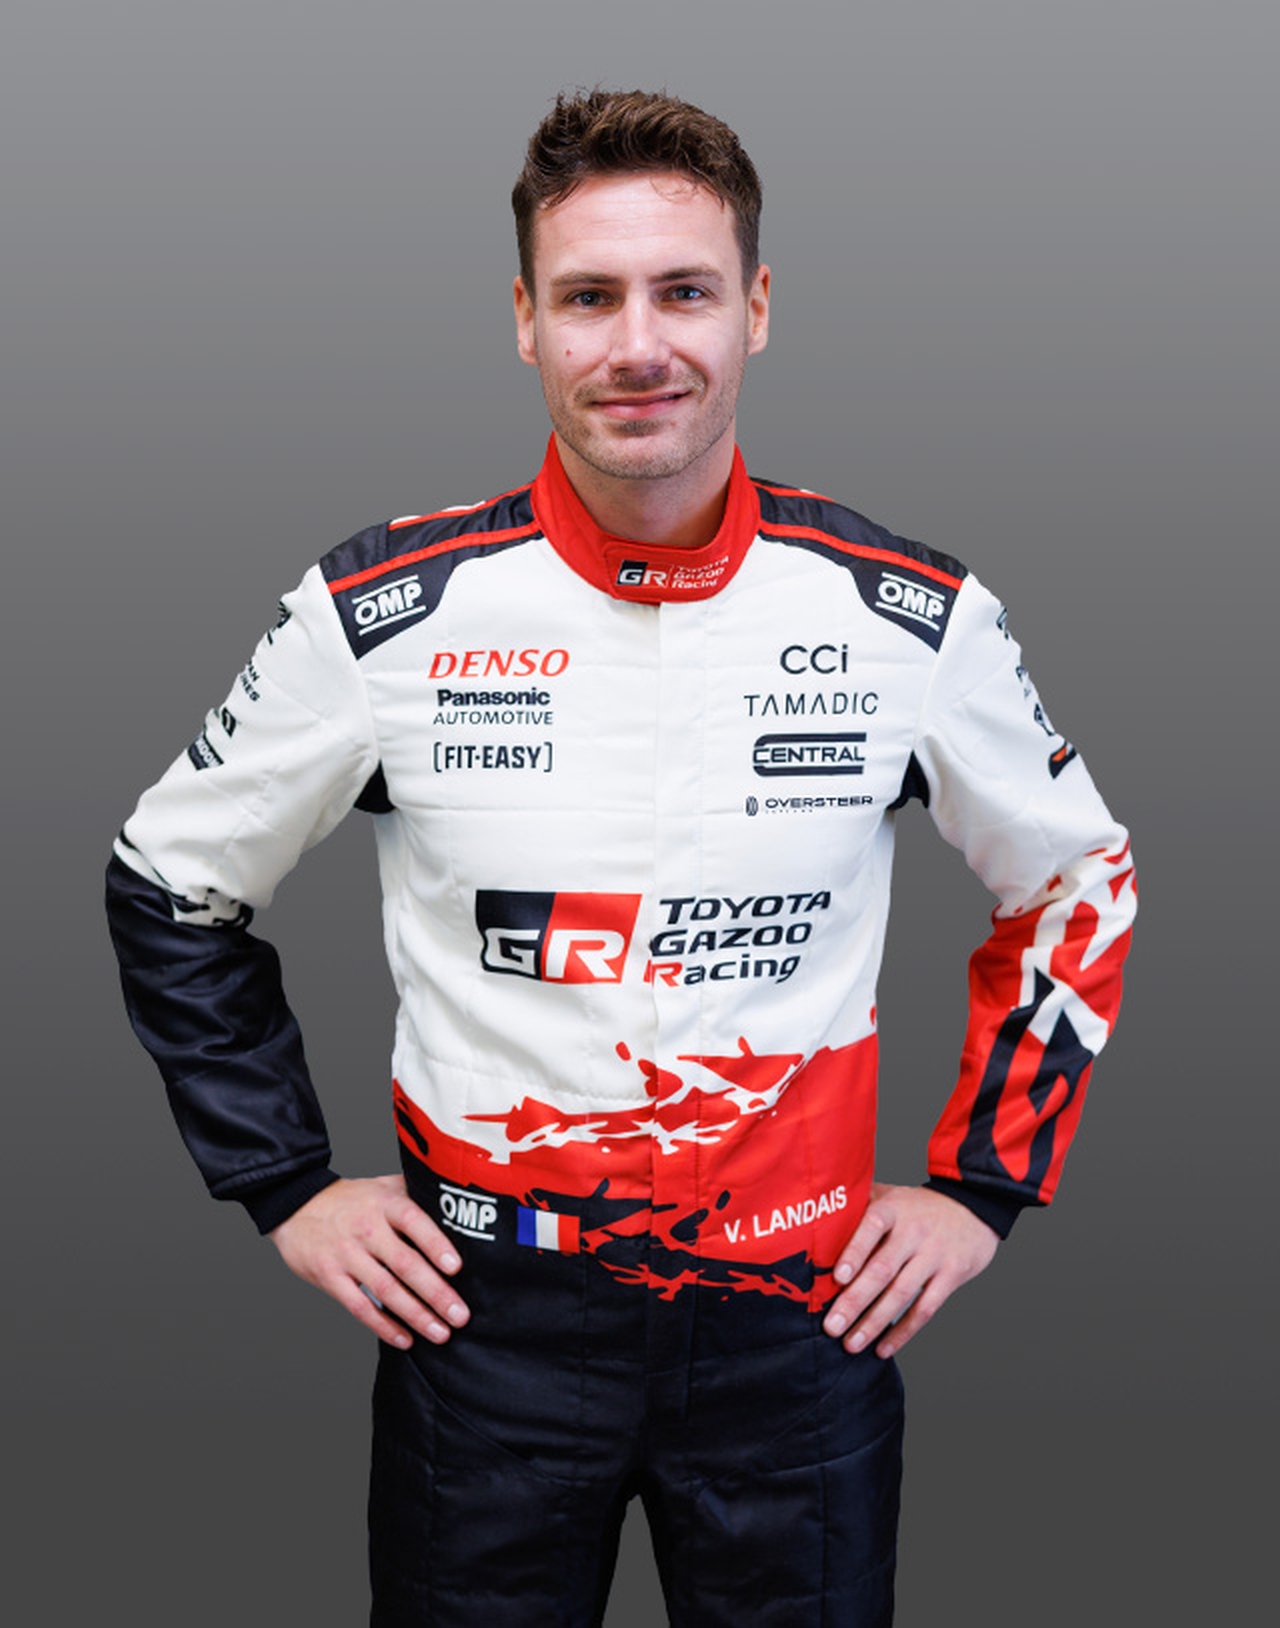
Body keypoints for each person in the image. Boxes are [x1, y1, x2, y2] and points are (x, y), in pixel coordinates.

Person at [106, 89, 1136, 1627]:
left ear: (758, 309)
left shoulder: (908, 616)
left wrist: (982, 1190)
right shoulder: (384, 614)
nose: (638, 344)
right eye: (589, 297)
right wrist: (286, 1183)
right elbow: (169, 882)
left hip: (804, 1321)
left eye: (685, 292)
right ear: (525, 321)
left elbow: (1077, 879)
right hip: (482, 1324)